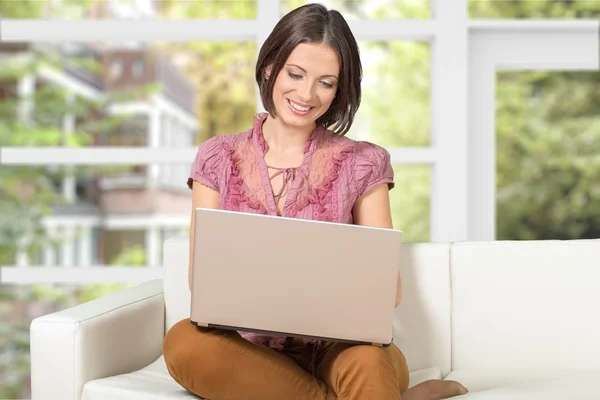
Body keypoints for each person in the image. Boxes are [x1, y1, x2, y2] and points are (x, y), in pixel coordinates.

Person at [163, 3, 468, 400]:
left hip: (343, 351)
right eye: (295, 74)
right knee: (184, 342)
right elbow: (199, 280)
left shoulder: (364, 161)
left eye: (326, 82)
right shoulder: (217, 156)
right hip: (247, 353)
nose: (306, 94)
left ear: (340, 88)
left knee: (370, 365)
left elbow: (386, 291)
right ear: (270, 66)